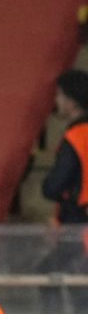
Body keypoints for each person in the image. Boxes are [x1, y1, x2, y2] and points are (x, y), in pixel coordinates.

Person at [43, 69, 88, 225]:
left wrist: (48, 187)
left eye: (59, 95)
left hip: (78, 221)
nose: (56, 100)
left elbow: (54, 186)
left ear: (72, 101)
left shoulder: (76, 136)